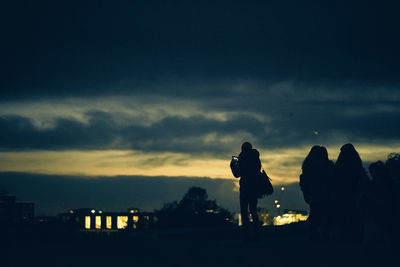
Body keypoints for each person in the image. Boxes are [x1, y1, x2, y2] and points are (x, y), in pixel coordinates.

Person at [333, 143, 369, 242]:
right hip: (355, 197)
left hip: (342, 197)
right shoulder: (357, 165)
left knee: (345, 220)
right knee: (355, 220)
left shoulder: (338, 167)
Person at [299, 145, 334, 240]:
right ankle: (323, 232)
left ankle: (313, 233)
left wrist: (306, 192)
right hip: (326, 194)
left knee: (315, 212)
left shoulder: (308, 166)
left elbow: (304, 182)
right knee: (325, 213)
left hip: (313, 194)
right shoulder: (328, 166)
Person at [237, 142, 261, 239]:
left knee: (244, 211)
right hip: (254, 187)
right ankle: (256, 232)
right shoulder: (255, 157)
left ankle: (246, 233)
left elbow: (237, 174)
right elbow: (258, 169)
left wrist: (234, 165)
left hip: (244, 187)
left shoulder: (242, 158)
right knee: (253, 210)